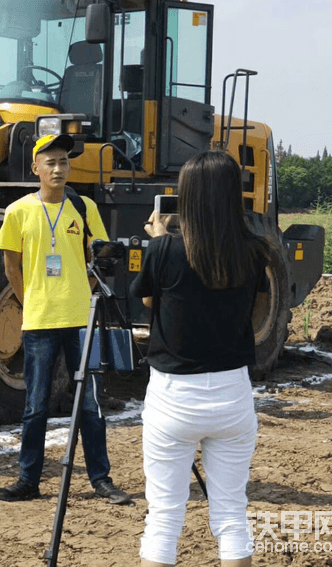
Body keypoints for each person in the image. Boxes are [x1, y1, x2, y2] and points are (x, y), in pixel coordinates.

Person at [130, 150, 268, 566]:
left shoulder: (165, 251)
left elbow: (153, 301)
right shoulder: (253, 251)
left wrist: (160, 243)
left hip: (174, 396)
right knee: (230, 515)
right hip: (232, 394)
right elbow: (253, 310)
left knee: (165, 517)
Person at [0, 133, 131, 505]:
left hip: (80, 322)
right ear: (35, 168)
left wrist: (80, 290)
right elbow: (11, 266)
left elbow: (97, 258)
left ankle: (101, 480)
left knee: (90, 404)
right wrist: (31, 301)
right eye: (50, 162)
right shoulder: (18, 211)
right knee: (36, 404)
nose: (58, 168)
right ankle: (28, 480)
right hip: (38, 322)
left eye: (64, 162)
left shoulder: (84, 208)